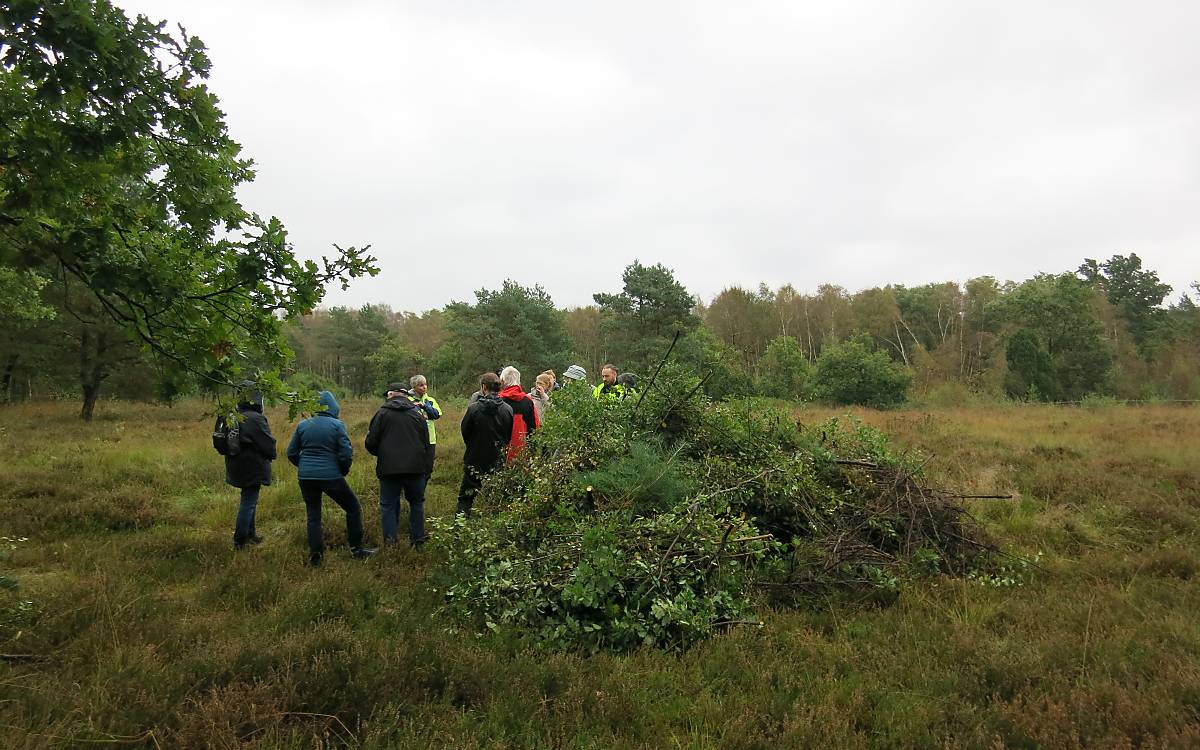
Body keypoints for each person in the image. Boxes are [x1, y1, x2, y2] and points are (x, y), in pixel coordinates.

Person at [286, 391, 375, 566]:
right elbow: (345, 453)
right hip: (331, 476)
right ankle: (356, 549)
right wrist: (342, 470)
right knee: (353, 507)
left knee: (313, 515)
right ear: (334, 406)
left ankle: (316, 557)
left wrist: (304, 467)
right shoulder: (337, 425)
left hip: (306, 477)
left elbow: (291, 453)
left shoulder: (303, 425)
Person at [365, 382, 430, 547]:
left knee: (387, 505)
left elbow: (371, 443)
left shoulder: (381, 414)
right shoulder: (417, 414)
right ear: (406, 395)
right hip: (415, 469)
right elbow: (426, 443)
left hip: (389, 469)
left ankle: (391, 544)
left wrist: (384, 454)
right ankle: (417, 541)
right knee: (416, 503)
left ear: (391, 395)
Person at [225, 382, 276, 550]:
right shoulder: (255, 419)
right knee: (249, 501)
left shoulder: (233, 415)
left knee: (248, 498)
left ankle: (251, 534)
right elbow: (267, 443)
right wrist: (272, 455)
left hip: (236, 464)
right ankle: (240, 540)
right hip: (252, 466)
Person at [457, 372, 513, 517]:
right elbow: (508, 435)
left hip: (474, 457)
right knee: (495, 497)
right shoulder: (507, 410)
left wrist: (473, 446)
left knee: (466, 498)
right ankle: (493, 528)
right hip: (497, 459)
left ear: (483, 387)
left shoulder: (473, 409)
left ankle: (459, 530)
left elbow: (465, 431)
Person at [407, 374, 441, 493]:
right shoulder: (407, 400)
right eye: (421, 385)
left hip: (430, 439)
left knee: (428, 468)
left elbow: (436, 414)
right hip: (414, 440)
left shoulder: (430, 400)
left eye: (425, 384)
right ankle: (410, 490)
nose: (424, 387)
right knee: (413, 466)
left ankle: (421, 490)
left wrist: (424, 406)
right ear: (414, 387)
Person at [499, 366, 539, 461]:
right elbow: (535, 427)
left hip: (502, 454)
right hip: (522, 454)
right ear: (518, 380)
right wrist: (533, 451)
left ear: (503, 381)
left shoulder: (498, 401)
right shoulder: (527, 401)